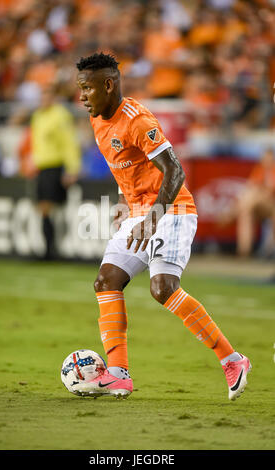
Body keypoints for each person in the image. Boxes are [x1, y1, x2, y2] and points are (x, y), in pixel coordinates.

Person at [75, 52, 251, 400]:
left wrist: (152, 216)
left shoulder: (137, 119)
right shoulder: (97, 119)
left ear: (108, 85)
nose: (81, 96)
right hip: (141, 212)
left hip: (172, 209)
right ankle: (118, 374)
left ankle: (233, 360)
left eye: (87, 88)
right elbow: (130, 170)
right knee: (106, 280)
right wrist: (128, 206)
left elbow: (175, 171)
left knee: (163, 288)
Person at [31, 86, 81, 259]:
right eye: (42, 96)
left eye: (47, 96)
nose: (43, 100)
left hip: (55, 166)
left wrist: (72, 168)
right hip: (42, 167)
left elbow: (69, 143)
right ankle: (49, 249)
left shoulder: (60, 115)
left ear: (53, 97)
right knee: (44, 208)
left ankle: (53, 250)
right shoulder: (37, 116)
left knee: (52, 208)